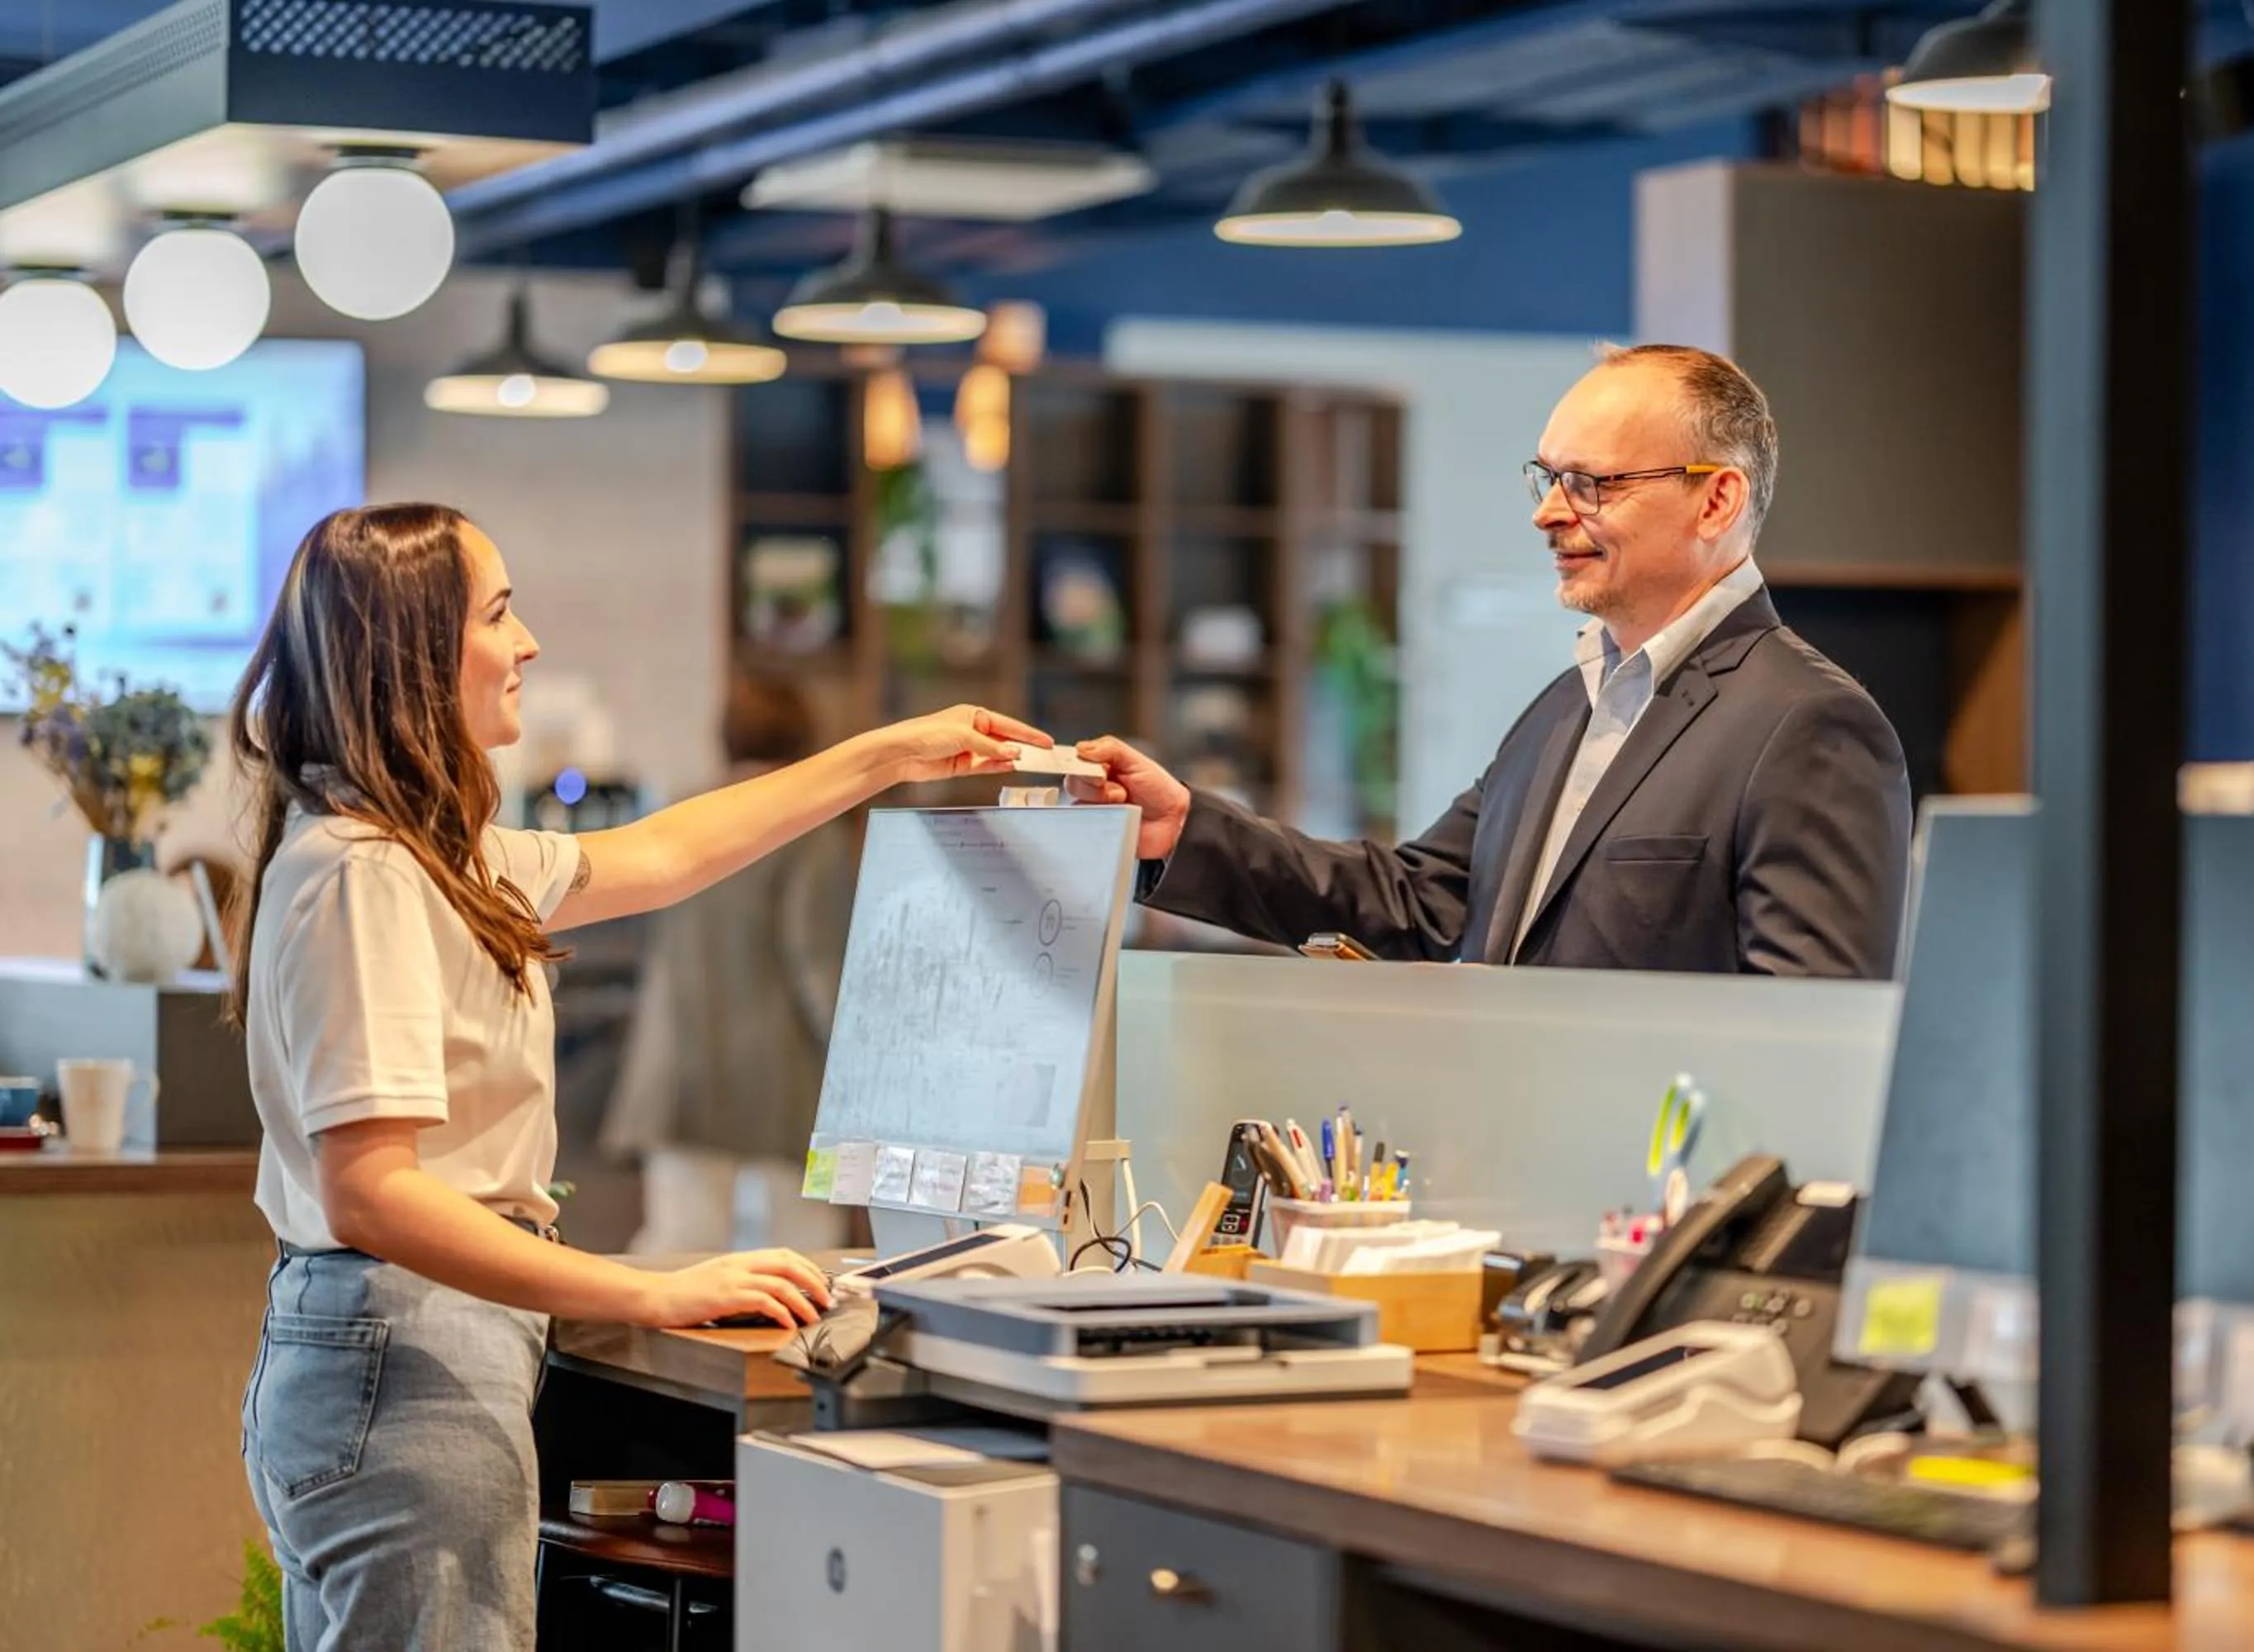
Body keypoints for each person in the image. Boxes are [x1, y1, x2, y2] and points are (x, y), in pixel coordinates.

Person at [225, 502, 1046, 1650]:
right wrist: (645, 1291)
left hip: (406, 1353)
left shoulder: (429, 857)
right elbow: (374, 1191)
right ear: (413, 655)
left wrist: (891, 753)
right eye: (500, 614)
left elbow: (663, 855)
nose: (529, 645)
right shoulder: (365, 873)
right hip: (406, 1359)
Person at [1075, 344, 1911, 977]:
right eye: (1547, 478)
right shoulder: (1566, 705)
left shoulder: (1808, 725)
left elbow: (1818, 1046)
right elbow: (1420, 899)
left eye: (1593, 483)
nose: (1550, 513)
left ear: (1716, 498)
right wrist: (1188, 827)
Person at [601, 673, 861, 1254]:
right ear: (804, 740)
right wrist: (862, 1067)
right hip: (779, 1078)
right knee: (806, 1250)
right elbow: (818, 965)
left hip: (679, 1062)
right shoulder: (808, 828)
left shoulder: (677, 815)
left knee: (679, 1248)